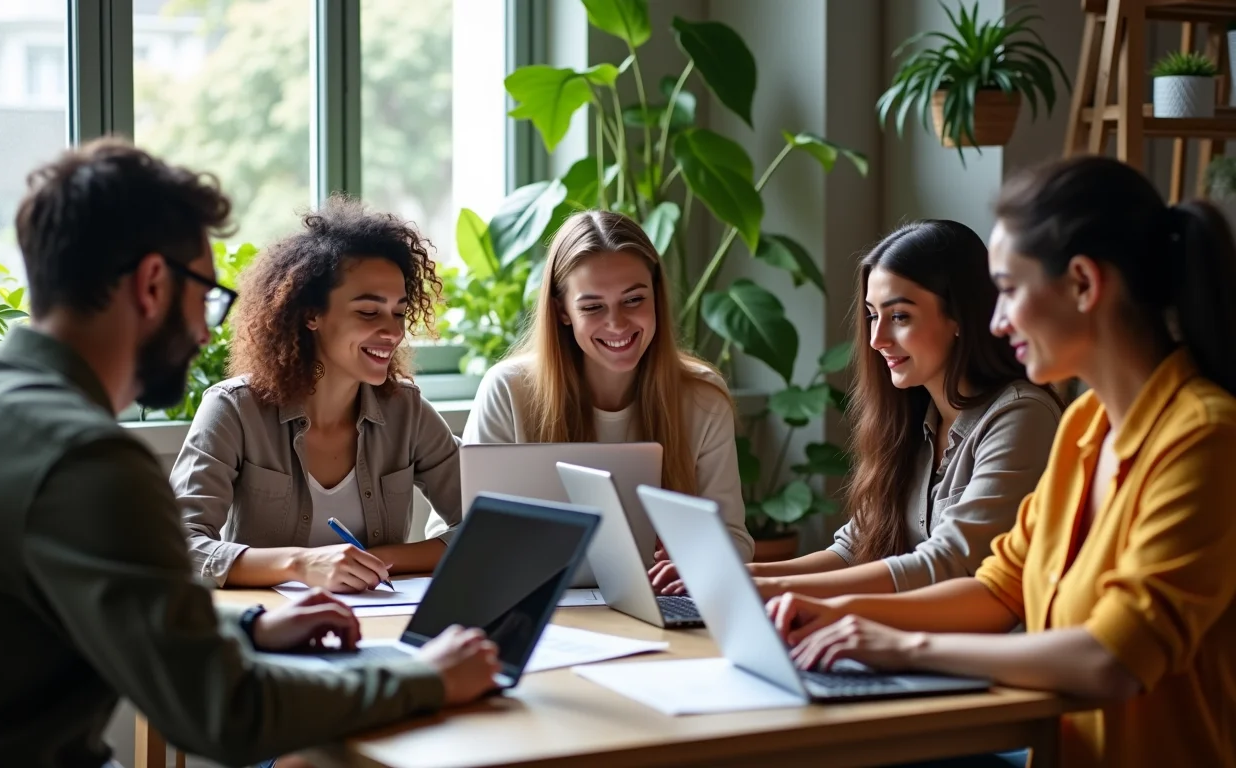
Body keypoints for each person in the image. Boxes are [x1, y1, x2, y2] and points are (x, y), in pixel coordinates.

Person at [0, 138, 500, 768]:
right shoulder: (88, 461)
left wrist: (247, 627)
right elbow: (227, 712)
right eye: (205, 295)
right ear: (153, 284)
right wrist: (427, 679)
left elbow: (127, 612)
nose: (206, 329)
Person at [768, 156, 1236, 768]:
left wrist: (902, 645)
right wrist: (833, 614)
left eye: (1009, 291)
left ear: (1083, 284)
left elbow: (1112, 660)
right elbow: (996, 590)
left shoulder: (1204, 437)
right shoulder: (1084, 426)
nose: (995, 321)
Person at [747, 220, 1062, 601]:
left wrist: (775, 588)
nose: (876, 339)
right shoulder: (910, 418)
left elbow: (948, 562)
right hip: (902, 633)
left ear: (959, 317)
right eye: (872, 315)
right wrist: (748, 575)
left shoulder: (1021, 416)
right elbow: (853, 548)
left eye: (899, 316)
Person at [436, 210, 755, 576]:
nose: (617, 323)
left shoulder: (702, 397)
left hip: (657, 597)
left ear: (656, 295)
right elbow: (463, 536)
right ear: (562, 311)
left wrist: (693, 559)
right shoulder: (508, 390)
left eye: (633, 300)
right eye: (592, 307)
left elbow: (736, 540)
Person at [172, 195, 461, 592]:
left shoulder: (407, 412)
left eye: (399, 312)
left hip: (381, 617)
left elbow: (489, 526)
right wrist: (301, 565)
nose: (393, 332)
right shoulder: (234, 409)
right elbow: (179, 547)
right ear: (311, 315)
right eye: (368, 311)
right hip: (270, 622)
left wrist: (372, 562)